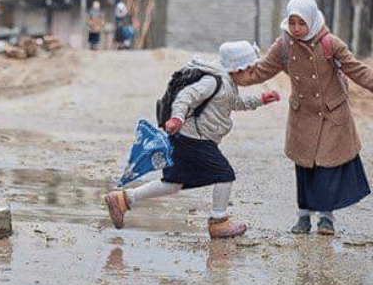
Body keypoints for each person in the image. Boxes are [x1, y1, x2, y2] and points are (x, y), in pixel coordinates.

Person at [233, 0, 373, 235]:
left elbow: (359, 71)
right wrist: (230, 75)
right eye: (292, 22)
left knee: (327, 168)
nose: (296, 28)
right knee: (304, 168)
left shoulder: (330, 44)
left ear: (312, 19)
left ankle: (326, 217)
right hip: (302, 115)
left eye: (301, 23)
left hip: (331, 114)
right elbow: (260, 71)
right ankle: (303, 217)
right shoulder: (284, 45)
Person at [104, 41, 281, 238]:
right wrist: (177, 117)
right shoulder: (214, 82)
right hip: (194, 139)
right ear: (238, 68)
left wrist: (260, 100)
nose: (251, 76)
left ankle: (123, 199)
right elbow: (186, 96)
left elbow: (234, 103)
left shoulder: (227, 83)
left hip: (187, 139)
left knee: (173, 183)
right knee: (225, 174)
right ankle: (218, 221)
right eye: (250, 71)